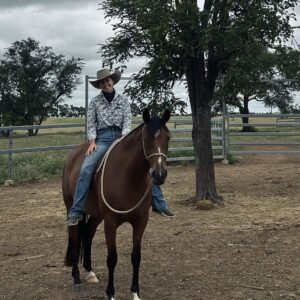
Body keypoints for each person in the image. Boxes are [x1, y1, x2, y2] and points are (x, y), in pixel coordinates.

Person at [67, 68, 174, 226]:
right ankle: (76, 210)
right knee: (86, 168)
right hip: (102, 139)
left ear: (113, 81)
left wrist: (124, 137)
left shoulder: (123, 100)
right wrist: (92, 141)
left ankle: (159, 203)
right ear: (99, 85)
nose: (106, 84)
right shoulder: (95, 102)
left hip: (121, 137)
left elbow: (126, 120)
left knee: (146, 163)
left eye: (107, 80)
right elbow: (91, 123)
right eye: (102, 82)